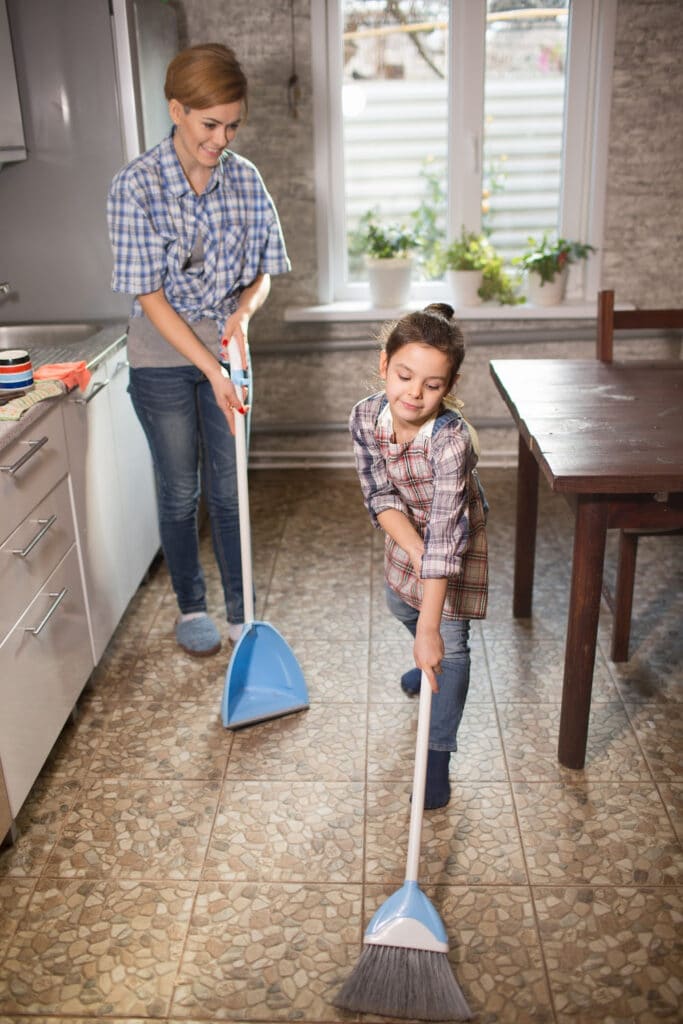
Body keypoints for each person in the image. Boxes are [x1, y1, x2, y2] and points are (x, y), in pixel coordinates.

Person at [107, 43, 290, 657]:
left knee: (230, 487)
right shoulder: (135, 186)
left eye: (233, 124)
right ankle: (191, 606)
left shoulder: (245, 178)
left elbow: (264, 271)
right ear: (176, 110)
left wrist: (242, 312)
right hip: (161, 357)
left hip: (226, 348)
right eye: (210, 123)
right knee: (180, 489)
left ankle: (242, 613)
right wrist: (209, 364)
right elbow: (151, 298)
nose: (222, 137)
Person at [350, 303, 488, 808]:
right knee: (398, 603)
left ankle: (437, 754)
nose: (415, 393)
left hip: (452, 538)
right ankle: (425, 657)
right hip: (406, 528)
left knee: (449, 645)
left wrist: (431, 633)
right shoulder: (366, 417)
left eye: (433, 385)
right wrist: (411, 545)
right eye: (405, 376)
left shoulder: (451, 443)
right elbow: (379, 496)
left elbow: (446, 542)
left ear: (449, 385)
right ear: (384, 365)